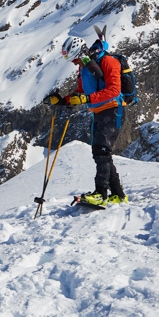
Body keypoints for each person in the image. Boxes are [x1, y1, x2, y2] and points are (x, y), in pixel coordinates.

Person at [44, 35, 128, 206]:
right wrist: (62, 100)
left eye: (75, 58)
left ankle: (100, 194)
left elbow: (114, 90)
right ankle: (118, 195)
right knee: (101, 152)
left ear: (81, 52)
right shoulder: (85, 68)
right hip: (99, 112)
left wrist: (87, 99)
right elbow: (81, 92)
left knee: (101, 151)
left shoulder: (108, 62)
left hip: (114, 110)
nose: (75, 63)